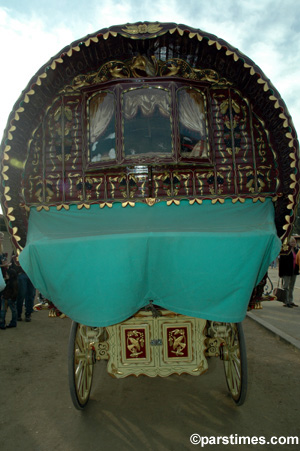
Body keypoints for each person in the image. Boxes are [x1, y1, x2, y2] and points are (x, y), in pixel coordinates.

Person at [278, 236, 299, 308]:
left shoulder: (296, 250)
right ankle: (286, 301)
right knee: (286, 286)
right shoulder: (285, 250)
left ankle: (290, 300)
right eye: (291, 242)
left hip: (294, 270)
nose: (293, 243)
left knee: (291, 286)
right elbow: (281, 262)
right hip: (286, 271)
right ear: (288, 243)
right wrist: (280, 273)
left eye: (294, 242)